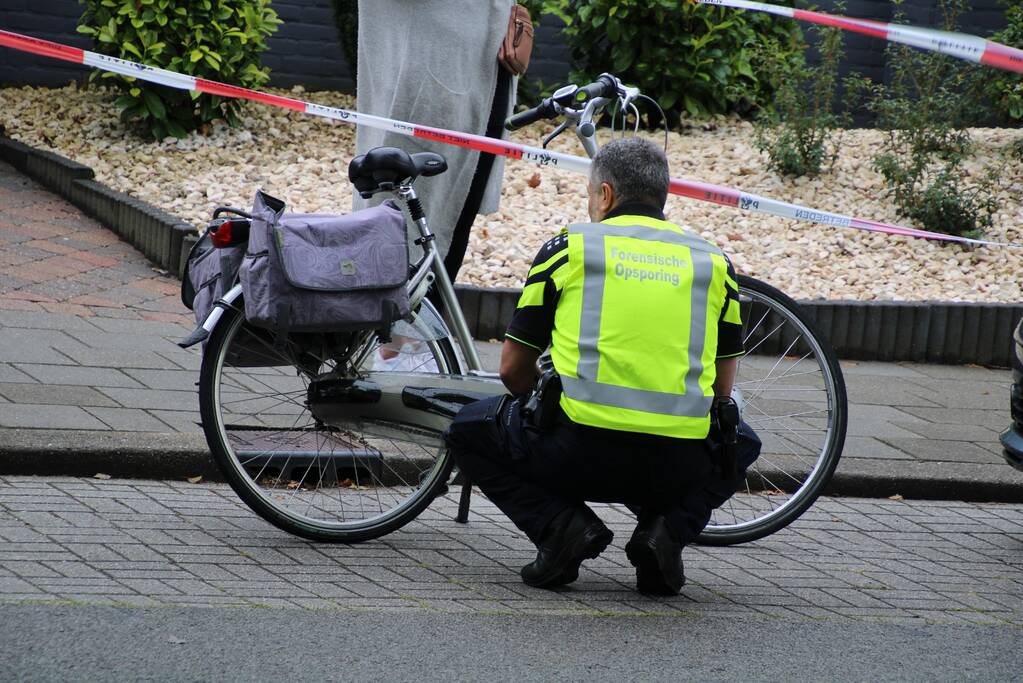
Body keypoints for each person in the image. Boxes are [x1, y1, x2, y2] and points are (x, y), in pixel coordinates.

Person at [445, 137, 759, 595]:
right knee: (743, 441)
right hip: (677, 465)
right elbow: (722, 395)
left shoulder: (569, 248)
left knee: (467, 429)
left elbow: (512, 369)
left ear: (606, 195)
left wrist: (542, 406)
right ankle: (666, 533)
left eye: (590, 194)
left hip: (574, 455)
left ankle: (562, 528)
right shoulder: (714, 263)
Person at [354, 0, 515, 285]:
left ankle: (427, 307)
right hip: (430, 63)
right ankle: (397, 308)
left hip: (482, 58)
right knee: (401, 207)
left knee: (457, 205)